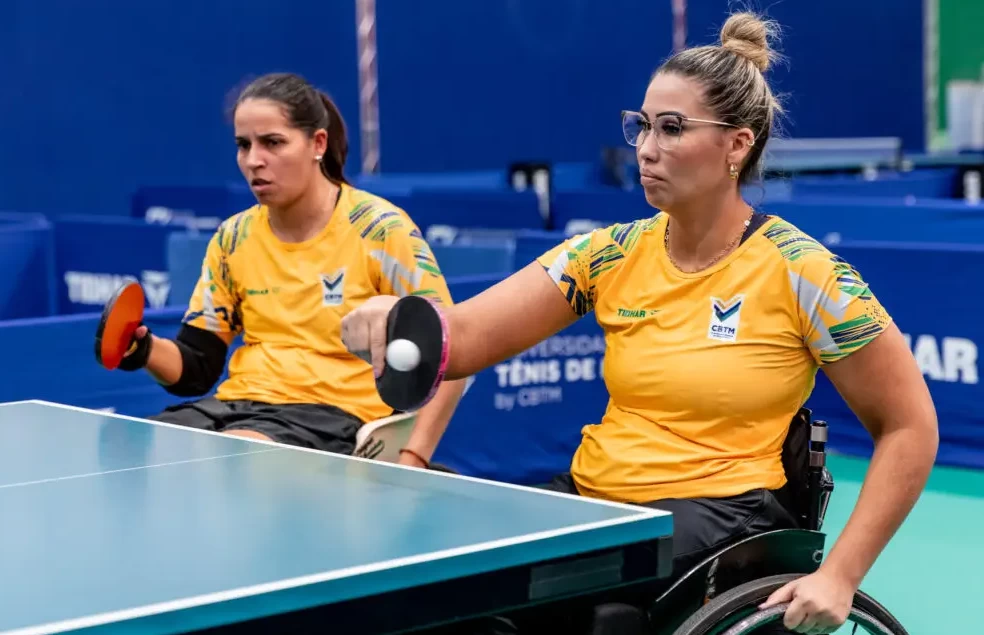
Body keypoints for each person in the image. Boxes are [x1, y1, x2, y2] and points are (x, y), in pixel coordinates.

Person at [340, 12, 939, 634]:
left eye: (673, 129)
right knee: (463, 591)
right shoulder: (608, 253)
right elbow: (461, 340)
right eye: (643, 127)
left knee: (574, 601)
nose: (648, 150)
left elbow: (909, 426)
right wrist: (394, 320)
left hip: (719, 512)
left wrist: (841, 573)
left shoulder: (803, 273)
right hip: (595, 496)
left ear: (737, 144)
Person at [110, 72, 467, 468]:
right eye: (243, 145)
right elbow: (197, 366)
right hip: (236, 405)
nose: (254, 160)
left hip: (334, 413)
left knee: (230, 461)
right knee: (140, 455)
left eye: (273, 143)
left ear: (317, 143)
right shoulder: (233, 238)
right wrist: (141, 349)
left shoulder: (379, 229)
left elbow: (451, 354)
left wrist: (414, 456)